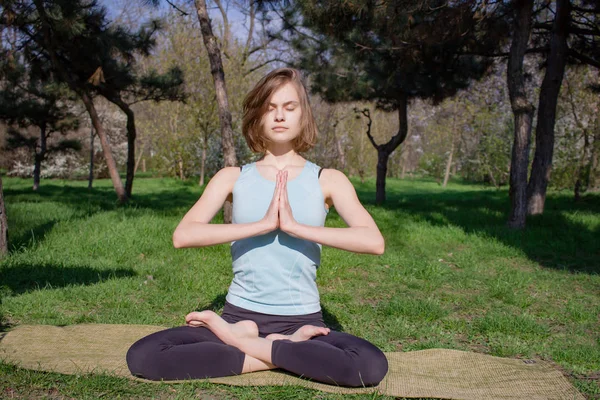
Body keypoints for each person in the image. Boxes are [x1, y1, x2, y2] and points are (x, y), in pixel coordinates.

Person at [126, 67, 388, 387]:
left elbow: (374, 241)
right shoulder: (232, 177)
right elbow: (183, 235)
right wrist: (261, 225)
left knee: (369, 366)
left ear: (303, 114)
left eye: (289, 107)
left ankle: (258, 346)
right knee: (144, 355)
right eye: (270, 107)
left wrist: (294, 227)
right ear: (258, 116)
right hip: (239, 318)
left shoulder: (328, 180)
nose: (279, 116)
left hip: (304, 323)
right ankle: (278, 351)